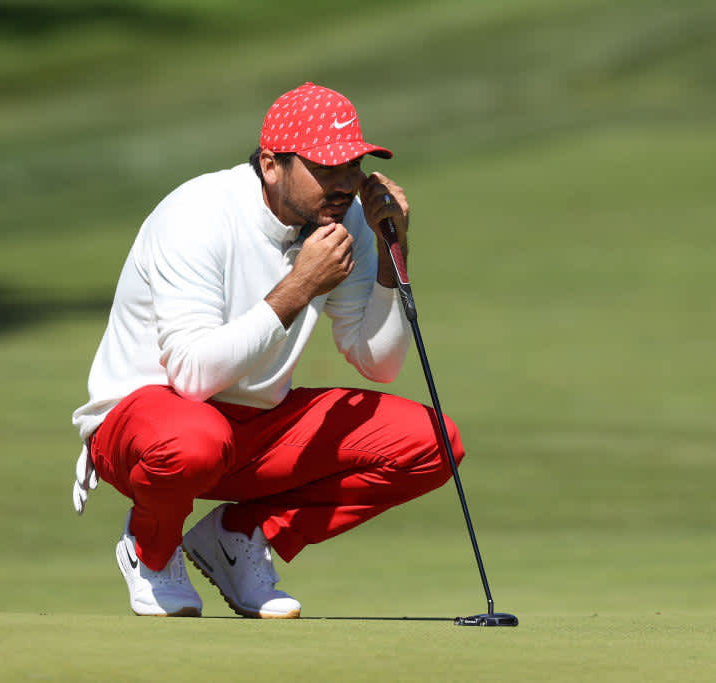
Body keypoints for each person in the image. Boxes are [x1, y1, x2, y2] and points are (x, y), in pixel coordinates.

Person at [70, 82, 465, 618]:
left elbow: (380, 363)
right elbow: (191, 376)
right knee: (193, 439)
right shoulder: (197, 214)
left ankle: (237, 536)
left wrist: (392, 249)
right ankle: (150, 548)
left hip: (253, 425)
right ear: (271, 164)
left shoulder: (345, 219)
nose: (346, 184)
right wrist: (299, 288)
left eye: (353, 167)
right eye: (327, 170)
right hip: (146, 423)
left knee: (431, 441)